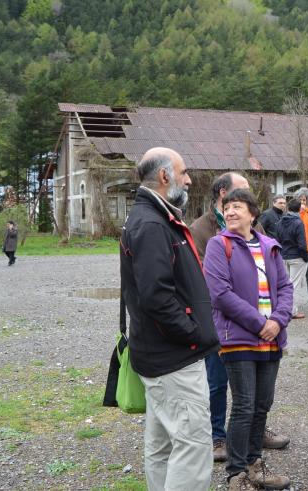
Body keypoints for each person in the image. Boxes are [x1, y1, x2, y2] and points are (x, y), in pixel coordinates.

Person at [119, 147, 219, 491]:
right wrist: (191, 334)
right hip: (173, 359)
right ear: (165, 176)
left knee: (162, 446)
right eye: (184, 171)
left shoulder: (156, 217)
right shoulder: (151, 223)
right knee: (192, 445)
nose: (189, 178)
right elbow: (156, 296)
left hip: (163, 356)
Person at [190, 172, 287, 463]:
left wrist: (277, 321)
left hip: (267, 333)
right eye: (239, 193)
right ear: (222, 193)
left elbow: (283, 285)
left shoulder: (266, 242)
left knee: (257, 401)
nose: (236, 206)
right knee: (221, 384)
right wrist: (260, 323)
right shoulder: (205, 231)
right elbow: (213, 287)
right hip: (222, 324)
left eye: (242, 202)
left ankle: (252, 445)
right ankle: (219, 438)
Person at [278, 199, 308, 319]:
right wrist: (305, 257)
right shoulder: (298, 222)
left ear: (288, 208)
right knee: (294, 285)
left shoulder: (281, 221)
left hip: (284, 256)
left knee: (285, 285)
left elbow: (278, 238)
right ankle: (292, 311)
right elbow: (302, 244)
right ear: (299, 209)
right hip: (297, 257)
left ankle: (284, 309)